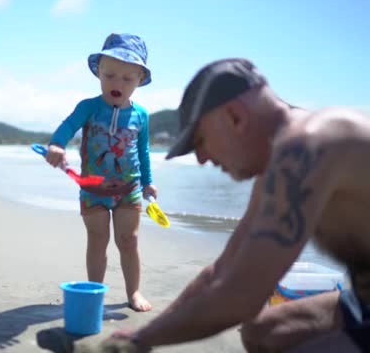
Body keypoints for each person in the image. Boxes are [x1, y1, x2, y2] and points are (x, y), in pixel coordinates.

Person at [106, 58, 370, 352]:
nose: (203, 158)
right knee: (264, 332)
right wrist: (140, 336)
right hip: (360, 302)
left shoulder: (307, 147)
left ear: (235, 117)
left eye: (201, 140)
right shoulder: (279, 165)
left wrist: (138, 342)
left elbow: (242, 296)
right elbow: (221, 273)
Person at [45, 33, 158, 312]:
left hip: (128, 191)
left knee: (128, 241)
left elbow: (142, 151)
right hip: (92, 190)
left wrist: (148, 183)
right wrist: (57, 145)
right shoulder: (89, 107)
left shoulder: (141, 115)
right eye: (110, 75)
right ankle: (94, 293)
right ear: (98, 72)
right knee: (98, 240)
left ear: (140, 80)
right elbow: (68, 126)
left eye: (127, 79)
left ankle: (134, 292)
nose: (117, 83)